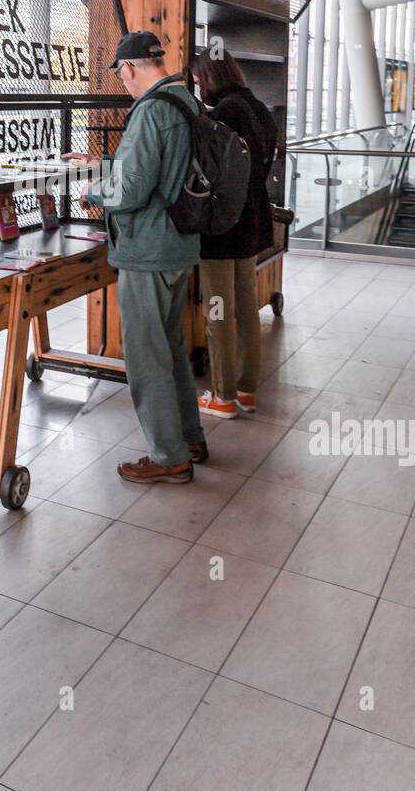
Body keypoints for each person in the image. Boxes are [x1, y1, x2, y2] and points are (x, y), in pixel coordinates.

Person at [69, 30, 208, 485]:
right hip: (179, 243)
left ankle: (169, 456)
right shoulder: (184, 99)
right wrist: (104, 163)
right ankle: (188, 437)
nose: (124, 84)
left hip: (148, 248)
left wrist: (94, 190)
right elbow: (157, 168)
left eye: (122, 75)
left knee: (146, 358)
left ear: (129, 68)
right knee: (168, 349)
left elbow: (130, 189)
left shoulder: (150, 110)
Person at [190, 49, 278, 419]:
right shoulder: (260, 110)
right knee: (244, 306)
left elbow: (208, 174)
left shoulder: (223, 114)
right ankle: (246, 389)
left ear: (210, 77)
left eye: (197, 81)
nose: (196, 87)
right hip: (253, 221)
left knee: (218, 310)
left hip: (223, 227)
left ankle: (222, 395)